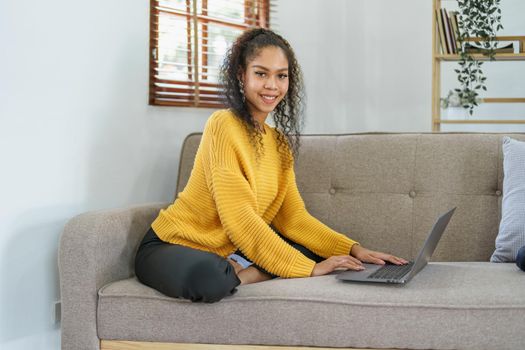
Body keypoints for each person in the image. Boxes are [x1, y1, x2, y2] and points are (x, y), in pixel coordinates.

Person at [134, 28, 408, 303]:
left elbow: (294, 219)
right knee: (209, 277)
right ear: (242, 75)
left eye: (281, 75)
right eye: (261, 73)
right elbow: (239, 220)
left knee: (318, 252)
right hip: (171, 246)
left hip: (223, 252)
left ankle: (240, 268)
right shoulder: (222, 125)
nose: (272, 86)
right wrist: (310, 270)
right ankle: (244, 273)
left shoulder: (279, 144)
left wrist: (354, 249)